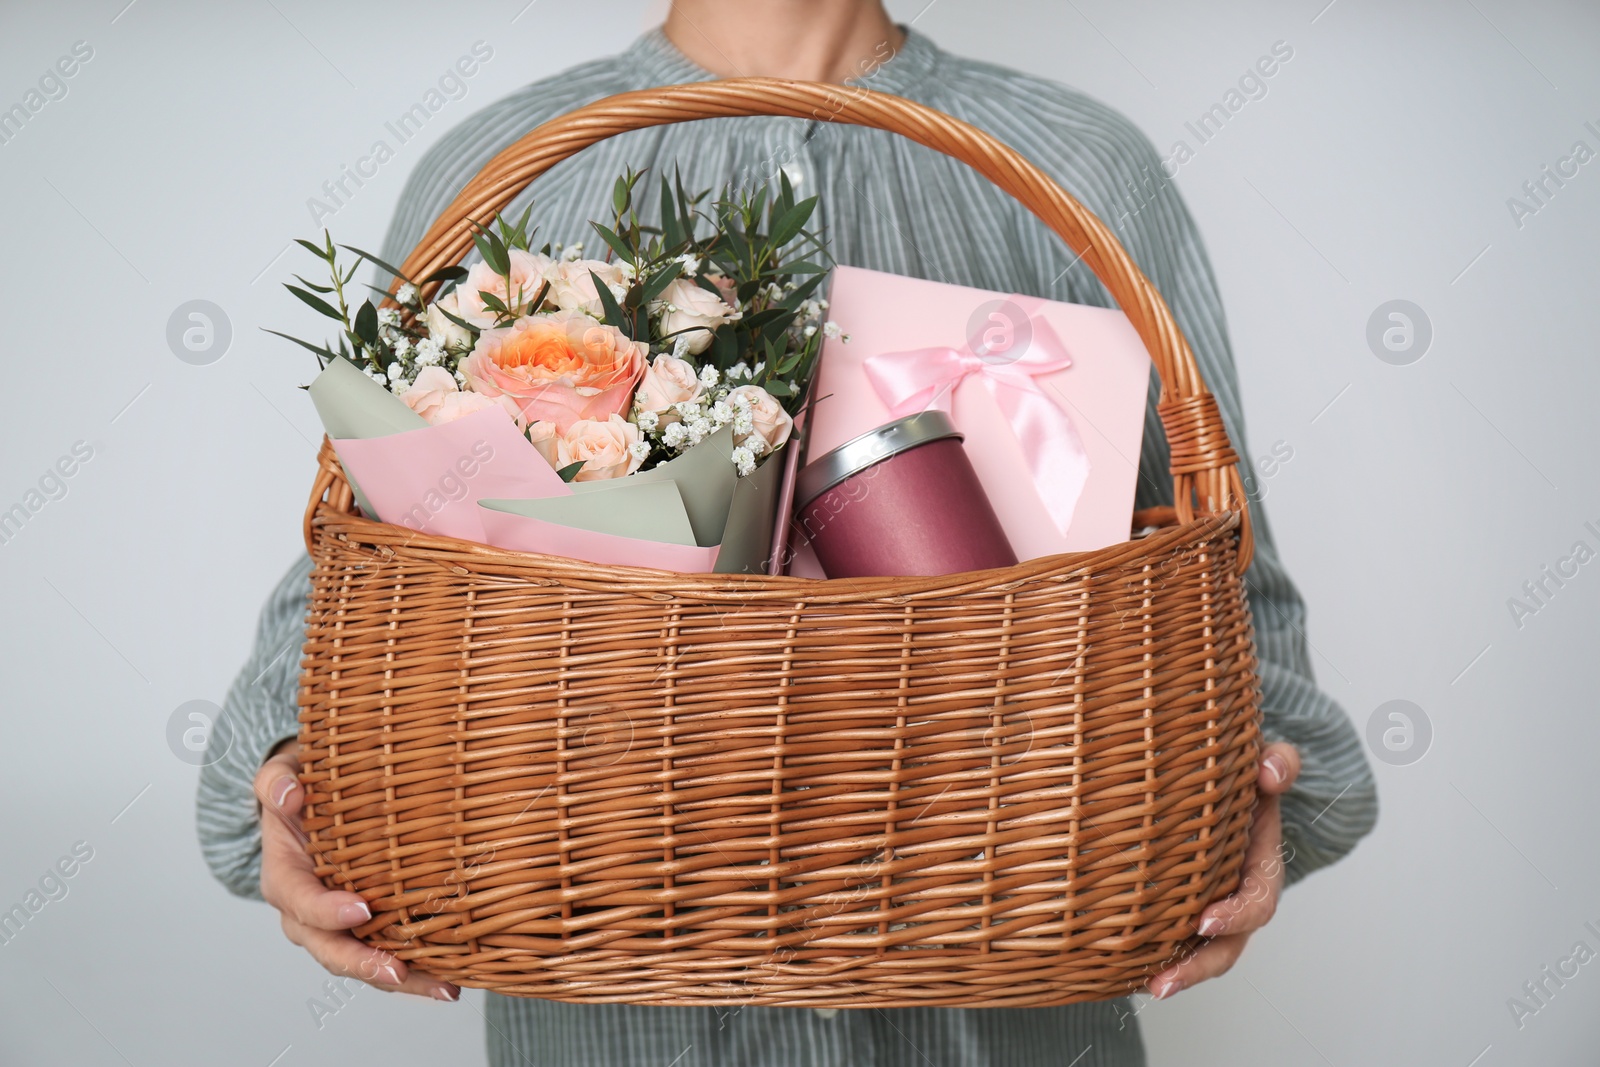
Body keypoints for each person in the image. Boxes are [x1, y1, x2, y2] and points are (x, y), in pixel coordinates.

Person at [198, 2, 1377, 1064]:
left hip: (1011, 1004)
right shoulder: (501, 171)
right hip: (602, 1011)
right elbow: (368, 575)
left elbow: (1224, 587)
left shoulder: (1078, 168)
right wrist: (281, 788)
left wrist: (1258, 794)